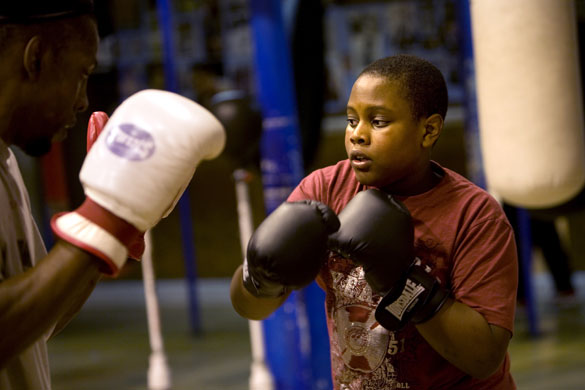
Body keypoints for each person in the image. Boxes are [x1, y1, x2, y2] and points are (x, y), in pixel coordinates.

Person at [230, 54, 518, 389]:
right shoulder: (325, 189)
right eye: (352, 120)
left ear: (428, 130)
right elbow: (251, 308)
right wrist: (262, 275)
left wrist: (403, 283)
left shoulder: (475, 216)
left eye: (378, 122)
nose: (358, 135)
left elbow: (484, 359)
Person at [0, 2, 225, 389]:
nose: (84, 100)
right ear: (35, 57)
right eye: (81, 74)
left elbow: (41, 319)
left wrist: (121, 231)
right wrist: (102, 217)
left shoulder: (6, 163)